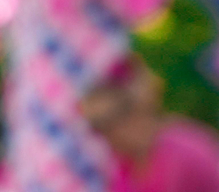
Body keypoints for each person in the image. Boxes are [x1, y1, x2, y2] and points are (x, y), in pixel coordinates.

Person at [80, 57, 219, 192]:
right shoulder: (122, 173)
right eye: (99, 126)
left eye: (116, 115)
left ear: (134, 109)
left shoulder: (182, 147)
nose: (113, 131)